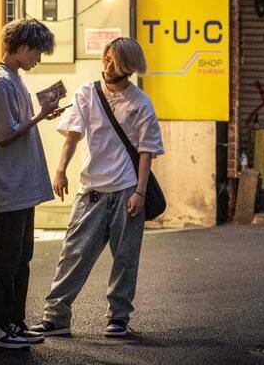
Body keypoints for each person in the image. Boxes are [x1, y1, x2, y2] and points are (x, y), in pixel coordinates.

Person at [29, 38, 164, 339]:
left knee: (126, 257)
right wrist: (60, 170)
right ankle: (56, 316)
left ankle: (118, 317)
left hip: (127, 189)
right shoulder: (87, 93)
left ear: (129, 66)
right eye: (106, 59)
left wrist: (140, 191)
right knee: (73, 253)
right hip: (91, 189)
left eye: (115, 61)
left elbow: (146, 151)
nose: (108, 65)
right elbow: (72, 136)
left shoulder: (140, 102)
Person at [0, 19, 64, 349]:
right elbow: (4, 134)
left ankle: (13, 321)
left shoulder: (12, 78)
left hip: (19, 185)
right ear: (22, 46)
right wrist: (41, 115)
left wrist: (42, 115)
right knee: (4, 260)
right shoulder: (0, 82)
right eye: (38, 53)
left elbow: (17, 127)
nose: (38, 60)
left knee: (20, 257)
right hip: (9, 185)